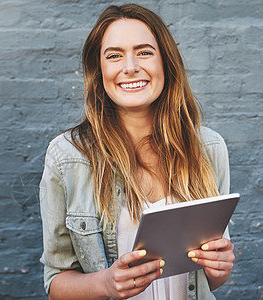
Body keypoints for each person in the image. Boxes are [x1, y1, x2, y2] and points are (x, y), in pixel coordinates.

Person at [39, 3, 235, 300]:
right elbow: (55, 285)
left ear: (165, 63)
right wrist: (105, 283)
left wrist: (219, 268)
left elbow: (211, 280)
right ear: (99, 70)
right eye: (114, 55)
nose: (130, 67)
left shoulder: (208, 149)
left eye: (144, 52)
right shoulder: (67, 157)